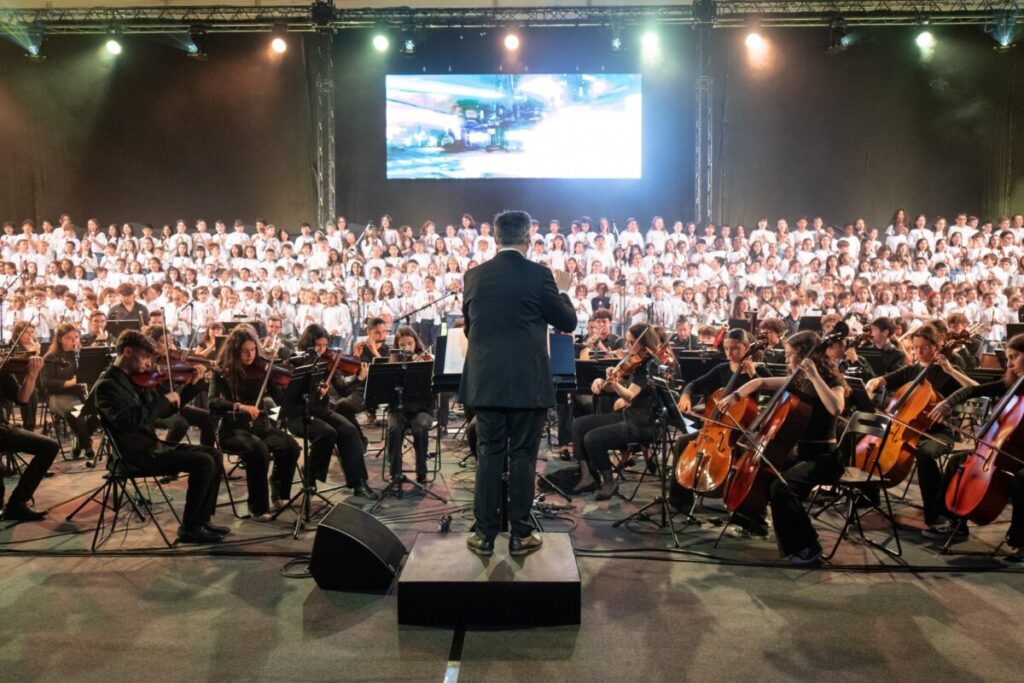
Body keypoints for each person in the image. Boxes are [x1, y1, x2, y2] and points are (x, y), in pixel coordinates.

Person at [461, 210, 577, 556]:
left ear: (496, 238)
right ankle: (521, 534)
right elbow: (566, 322)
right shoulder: (540, 275)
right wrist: (565, 291)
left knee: (488, 455)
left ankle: (484, 534)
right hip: (527, 383)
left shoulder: (474, 276)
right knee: (524, 457)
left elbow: (470, 327)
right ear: (528, 238)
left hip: (486, 382)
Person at [720, 331, 848, 566]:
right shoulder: (799, 380)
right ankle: (756, 523)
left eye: (790, 355)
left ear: (805, 356)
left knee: (782, 487)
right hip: (801, 453)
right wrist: (736, 395)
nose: (787, 360)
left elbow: (836, 408)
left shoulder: (831, 381)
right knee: (766, 474)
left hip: (825, 458)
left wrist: (816, 377)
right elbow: (761, 381)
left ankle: (808, 547)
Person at [93, 330, 226, 544]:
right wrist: (162, 400)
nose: (149, 363)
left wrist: (192, 386)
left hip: (152, 448)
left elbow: (165, 412)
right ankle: (190, 528)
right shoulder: (107, 386)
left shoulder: (137, 380)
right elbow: (129, 422)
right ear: (127, 352)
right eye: (145, 357)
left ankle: (201, 520)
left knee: (214, 454)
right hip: (134, 457)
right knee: (203, 461)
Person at [865, 323, 978, 538]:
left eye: (924, 347)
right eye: (915, 348)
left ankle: (937, 515)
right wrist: (873, 384)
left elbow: (975, 388)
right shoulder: (914, 369)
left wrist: (951, 371)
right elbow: (883, 380)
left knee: (925, 453)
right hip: (912, 430)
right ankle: (868, 493)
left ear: (938, 346)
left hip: (940, 432)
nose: (919, 353)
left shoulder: (947, 369)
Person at [922, 333, 1024, 553]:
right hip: (1005, 450)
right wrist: (948, 402)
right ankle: (952, 522)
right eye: (1008, 358)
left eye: (1014, 357)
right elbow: (973, 390)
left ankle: (1020, 540)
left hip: (1019, 455)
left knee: (1021, 480)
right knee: (958, 462)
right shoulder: (1013, 383)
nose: (1009, 364)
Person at [670, 328, 770, 518]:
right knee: (682, 442)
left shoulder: (759, 370)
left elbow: (776, 393)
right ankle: (679, 500)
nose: (729, 353)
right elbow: (693, 384)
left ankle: (741, 505)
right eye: (726, 348)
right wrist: (685, 395)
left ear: (747, 347)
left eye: (734, 348)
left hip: (743, 430)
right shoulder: (722, 369)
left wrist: (756, 377)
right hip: (716, 429)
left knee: (745, 457)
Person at [208, 324, 301, 520]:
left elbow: (280, 400)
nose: (250, 355)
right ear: (235, 352)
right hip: (232, 428)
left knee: (291, 446)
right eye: (244, 351)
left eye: (253, 350)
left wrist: (295, 389)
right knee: (259, 450)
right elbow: (213, 402)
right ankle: (257, 507)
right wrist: (238, 406)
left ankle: (279, 491)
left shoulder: (262, 369)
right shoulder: (222, 371)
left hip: (261, 425)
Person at [571, 323, 668, 500]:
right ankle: (587, 477)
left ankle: (609, 482)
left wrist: (614, 383)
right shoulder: (634, 362)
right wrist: (602, 381)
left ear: (644, 344)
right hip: (627, 415)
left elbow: (630, 395)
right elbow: (611, 389)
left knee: (593, 438)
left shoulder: (650, 365)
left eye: (632, 342)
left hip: (642, 423)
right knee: (578, 425)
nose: (628, 347)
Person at [283, 324, 373, 499]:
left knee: (349, 430)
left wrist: (359, 379)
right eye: (318, 345)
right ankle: (310, 472)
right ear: (308, 343)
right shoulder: (294, 361)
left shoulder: (327, 362)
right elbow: (287, 394)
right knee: (327, 433)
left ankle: (359, 482)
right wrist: (313, 390)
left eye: (325, 345)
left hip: (322, 411)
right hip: (299, 413)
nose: (322, 350)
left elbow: (344, 390)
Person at [0, 353, 58, 521]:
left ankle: (17, 504)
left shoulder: (3, 370)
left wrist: (32, 375)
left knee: (49, 446)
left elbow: (22, 398)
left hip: (2, 429)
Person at [384, 326, 436, 483]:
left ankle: (421, 471)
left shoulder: (425, 360)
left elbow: (433, 390)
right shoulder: (394, 363)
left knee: (419, 427)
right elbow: (386, 392)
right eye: (402, 345)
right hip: (398, 409)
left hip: (422, 410)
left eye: (409, 344)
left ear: (416, 344)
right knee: (394, 429)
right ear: (397, 346)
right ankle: (395, 473)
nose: (406, 348)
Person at [40, 323, 99, 459]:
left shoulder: (79, 354)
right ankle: (87, 445)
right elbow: (46, 383)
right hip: (58, 395)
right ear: (60, 338)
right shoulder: (50, 357)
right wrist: (70, 382)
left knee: (101, 409)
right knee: (75, 411)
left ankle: (79, 439)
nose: (74, 341)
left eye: (76, 337)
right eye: (69, 338)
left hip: (77, 393)